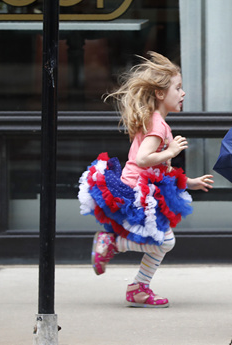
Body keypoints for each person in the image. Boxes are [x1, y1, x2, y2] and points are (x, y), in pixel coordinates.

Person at [78, 52, 214, 308]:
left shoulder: (158, 122)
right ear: (160, 94)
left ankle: (139, 288)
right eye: (178, 87)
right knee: (164, 241)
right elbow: (143, 159)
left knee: (164, 242)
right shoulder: (158, 125)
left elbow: (159, 170)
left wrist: (191, 182)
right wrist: (172, 151)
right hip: (135, 192)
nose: (183, 93)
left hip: (144, 190)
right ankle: (112, 245)